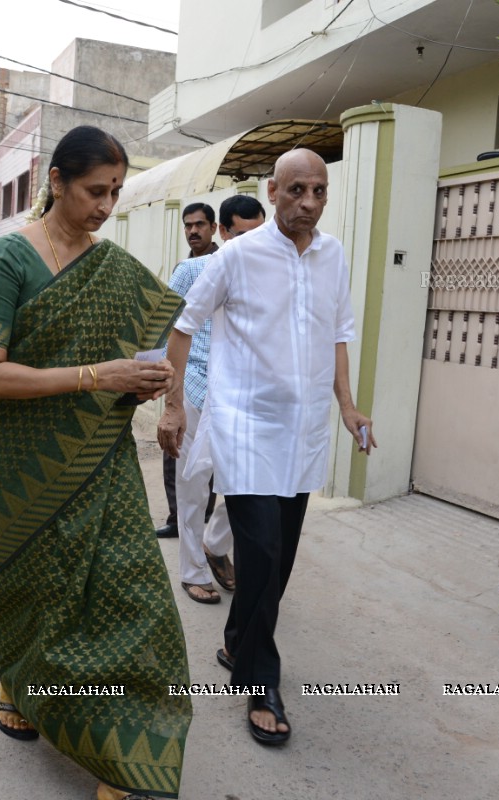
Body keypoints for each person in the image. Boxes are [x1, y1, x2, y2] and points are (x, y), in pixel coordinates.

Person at [0, 126, 192, 800]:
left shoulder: (111, 269)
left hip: (99, 460)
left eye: (116, 191)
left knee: (133, 601)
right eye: (95, 190)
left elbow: (163, 338)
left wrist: (156, 385)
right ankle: (18, 684)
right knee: (31, 597)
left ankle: (125, 757)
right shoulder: (10, 260)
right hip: (14, 466)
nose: (106, 204)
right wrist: (99, 375)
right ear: (55, 181)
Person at [158, 149, 375, 746]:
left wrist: (348, 404)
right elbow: (183, 328)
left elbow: (337, 335)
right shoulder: (237, 256)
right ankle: (261, 679)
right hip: (245, 426)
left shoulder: (332, 256)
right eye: (297, 190)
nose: (308, 203)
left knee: (279, 563)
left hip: (303, 432)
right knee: (263, 553)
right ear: (273, 189)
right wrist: (174, 406)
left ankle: (236, 641)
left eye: (320, 192)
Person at [165, 195, 266, 604]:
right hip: (195, 383)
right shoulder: (192, 269)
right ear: (224, 232)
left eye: (261, 234)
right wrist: (164, 392)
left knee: (250, 481)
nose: (253, 244)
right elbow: (165, 324)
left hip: (246, 391)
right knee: (193, 485)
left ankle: (214, 542)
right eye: (242, 234)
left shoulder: (271, 273)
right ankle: (193, 569)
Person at [155, 203, 221, 539]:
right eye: (188, 226)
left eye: (200, 225)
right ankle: (179, 516)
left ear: (214, 227)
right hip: (188, 373)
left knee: (204, 454)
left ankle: (200, 516)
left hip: (215, 376)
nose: (193, 231)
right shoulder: (188, 269)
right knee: (180, 450)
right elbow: (168, 322)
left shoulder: (221, 265)